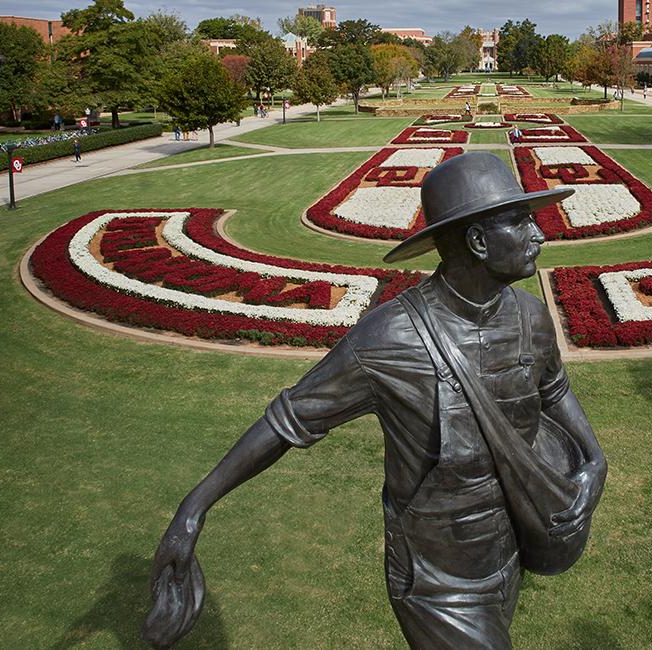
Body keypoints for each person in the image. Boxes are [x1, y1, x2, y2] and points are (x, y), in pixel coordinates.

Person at [142, 152, 607, 650]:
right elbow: (289, 420)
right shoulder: (389, 339)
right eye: (520, 222)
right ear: (476, 240)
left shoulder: (533, 318)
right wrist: (193, 510)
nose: (540, 235)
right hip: (435, 577)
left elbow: (555, 394)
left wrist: (595, 463)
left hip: (508, 551)